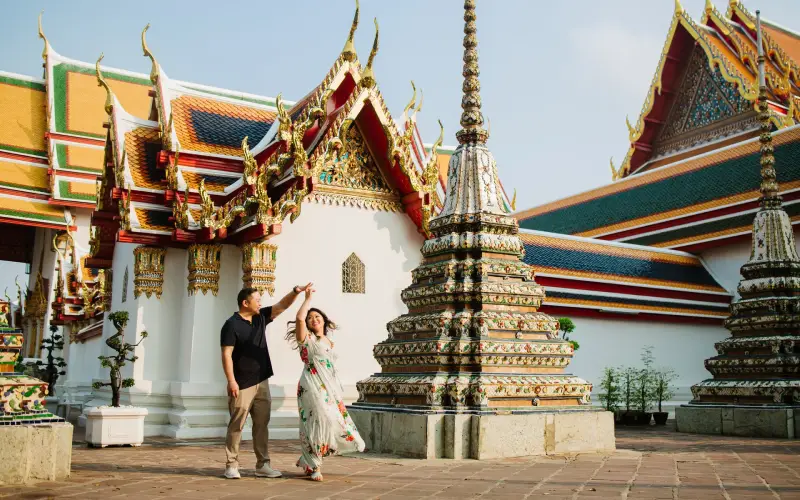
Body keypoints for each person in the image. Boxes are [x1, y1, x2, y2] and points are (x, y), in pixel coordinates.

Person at [220, 284, 311, 479]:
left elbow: (281, 306)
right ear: (245, 303)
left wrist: (296, 292)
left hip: (262, 381)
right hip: (242, 383)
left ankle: (263, 465)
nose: (260, 302)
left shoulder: (260, 317)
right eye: (257, 299)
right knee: (237, 425)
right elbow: (226, 354)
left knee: (261, 425)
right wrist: (231, 381)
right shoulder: (231, 324)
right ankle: (231, 464)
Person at [286, 285, 365, 482]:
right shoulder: (307, 338)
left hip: (329, 387)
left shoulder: (329, 342)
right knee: (316, 421)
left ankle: (311, 458)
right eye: (310, 317)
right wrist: (307, 299)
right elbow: (298, 319)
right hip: (311, 384)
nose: (313, 319)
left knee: (330, 420)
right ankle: (314, 465)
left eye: (317, 317)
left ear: (324, 321)